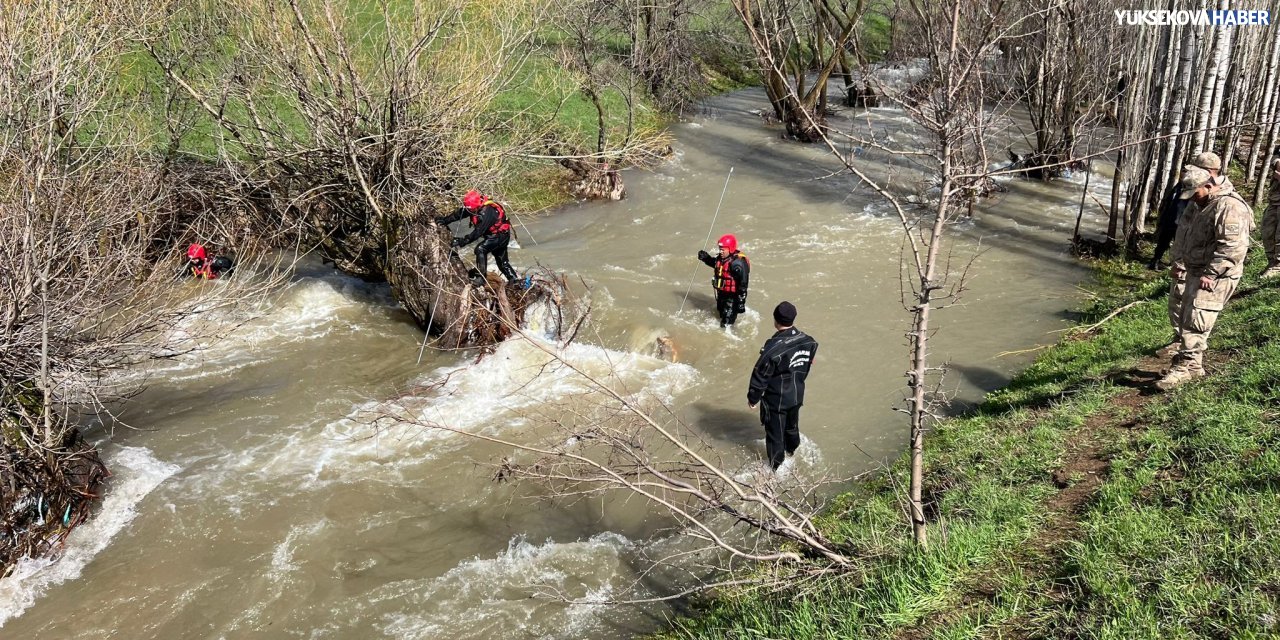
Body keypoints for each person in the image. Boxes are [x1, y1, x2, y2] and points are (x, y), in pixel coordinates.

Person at [1156, 165, 1253, 391]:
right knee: (1188, 315)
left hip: (1216, 275)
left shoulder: (1229, 207)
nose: (1192, 199)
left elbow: (1233, 248)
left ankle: (1183, 368)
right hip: (1197, 270)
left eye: (1196, 194)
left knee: (1197, 320)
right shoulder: (1202, 203)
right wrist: (1180, 262)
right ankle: (1194, 367)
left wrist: (1211, 273)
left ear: (1209, 185)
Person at [748, 301, 818, 470]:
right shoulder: (808, 341)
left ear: (775, 320)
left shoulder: (773, 347)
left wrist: (753, 398)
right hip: (796, 394)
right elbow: (811, 359)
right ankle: (792, 450)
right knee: (792, 426)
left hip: (776, 400)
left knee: (775, 435)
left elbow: (760, 373)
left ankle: (776, 468)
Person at [1149, 152, 1227, 270]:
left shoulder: (1222, 195)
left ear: (1209, 171)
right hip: (1176, 219)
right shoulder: (1187, 182)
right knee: (1166, 236)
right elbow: (1173, 201)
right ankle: (1158, 260)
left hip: (1201, 262)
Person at [439, 190, 520, 287]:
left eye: (472, 210)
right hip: (495, 236)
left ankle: (481, 278)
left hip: (500, 236)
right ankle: (515, 280)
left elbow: (478, 232)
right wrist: (444, 220)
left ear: (477, 206)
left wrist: (462, 241)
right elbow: (459, 214)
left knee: (481, 249)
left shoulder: (486, 212)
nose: (470, 211)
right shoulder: (473, 207)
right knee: (502, 262)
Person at [697, 234, 750, 327]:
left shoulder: (738, 263)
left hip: (733, 297)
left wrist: (741, 302)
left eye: (723, 249)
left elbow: (743, 283)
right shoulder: (721, 258)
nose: (720, 251)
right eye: (720, 249)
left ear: (730, 249)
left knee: (726, 324)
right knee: (721, 314)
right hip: (722, 294)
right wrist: (706, 258)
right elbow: (716, 264)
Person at [1261, 158, 1280, 279]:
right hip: (1274, 200)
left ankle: (1278, 266)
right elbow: (1274, 159)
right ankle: (1272, 262)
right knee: (1267, 232)